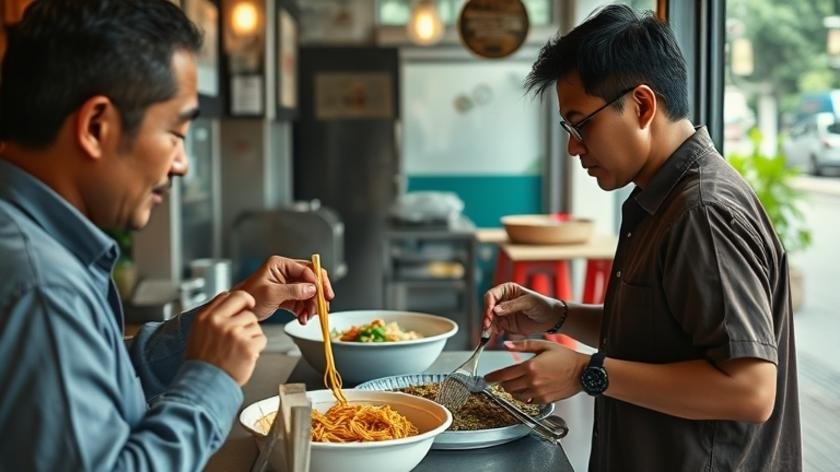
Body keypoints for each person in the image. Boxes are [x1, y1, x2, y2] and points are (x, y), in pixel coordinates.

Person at [0, 1, 333, 470]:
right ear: (96, 126)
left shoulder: (32, 242)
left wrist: (222, 321)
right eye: (176, 133)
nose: (182, 164)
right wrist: (211, 379)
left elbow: (103, 379)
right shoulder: (42, 287)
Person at [482, 5, 801, 471]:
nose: (573, 146)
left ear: (642, 106)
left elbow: (750, 391)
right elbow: (658, 333)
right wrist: (556, 314)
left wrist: (586, 372)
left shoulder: (702, 212)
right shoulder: (662, 198)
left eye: (581, 124)